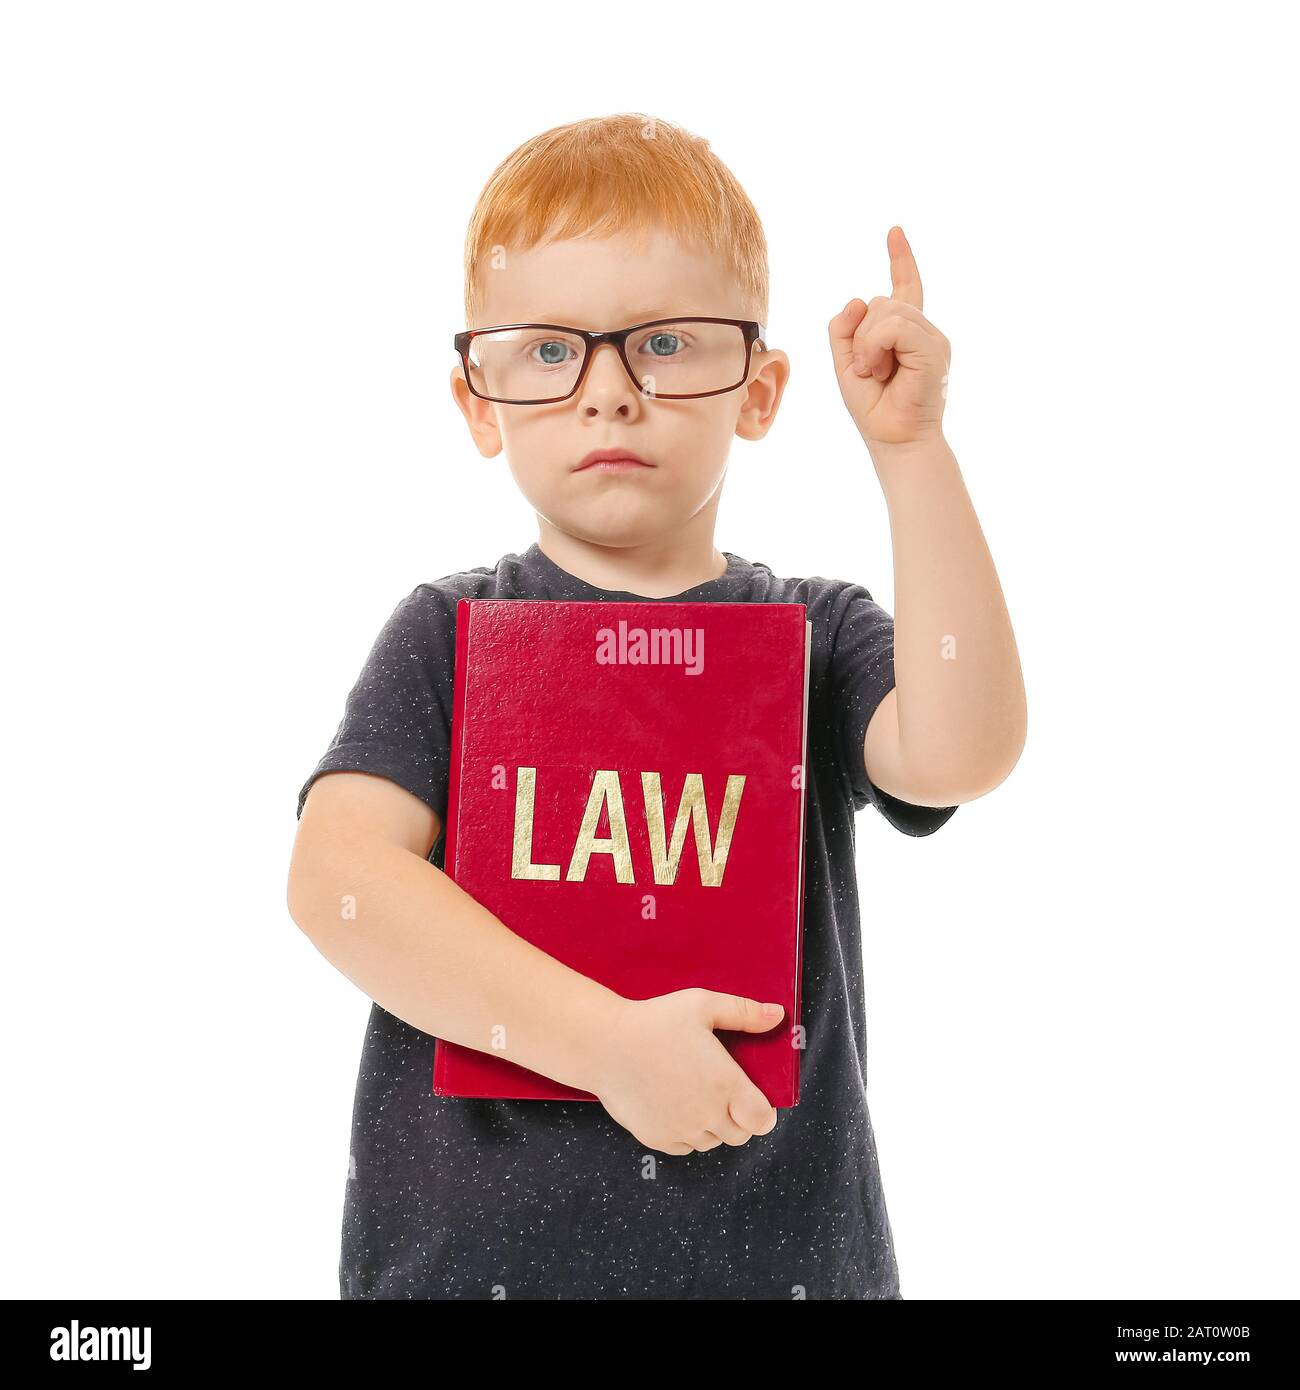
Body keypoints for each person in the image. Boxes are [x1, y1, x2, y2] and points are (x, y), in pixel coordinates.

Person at [286, 112, 1027, 1300]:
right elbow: (340, 883)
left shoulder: (813, 637)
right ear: (479, 403)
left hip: (775, 1262)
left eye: (667, 343)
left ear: (761, 389)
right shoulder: (446, 634)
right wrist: (605, 1045)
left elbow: (960, 749)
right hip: (473, 1271)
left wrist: (911, 452)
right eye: (546, 352)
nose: (609, 396)